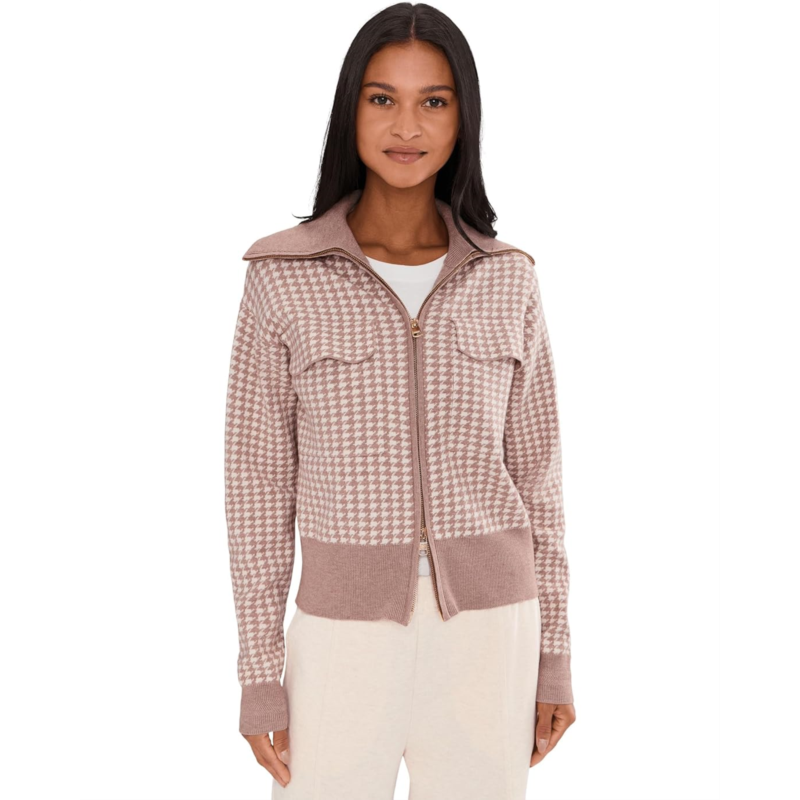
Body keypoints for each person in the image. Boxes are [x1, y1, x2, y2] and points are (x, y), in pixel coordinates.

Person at [224, 4, 576, 798]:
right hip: (340, 638)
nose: (406, 126)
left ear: (462, 118)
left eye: (434, 101)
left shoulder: (508, 276)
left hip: (492, 634)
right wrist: (259, 672)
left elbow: (540, 481)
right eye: (382, 98)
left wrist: (554, 653)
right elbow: (256, 489)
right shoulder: (281, 277)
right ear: (350, 109)